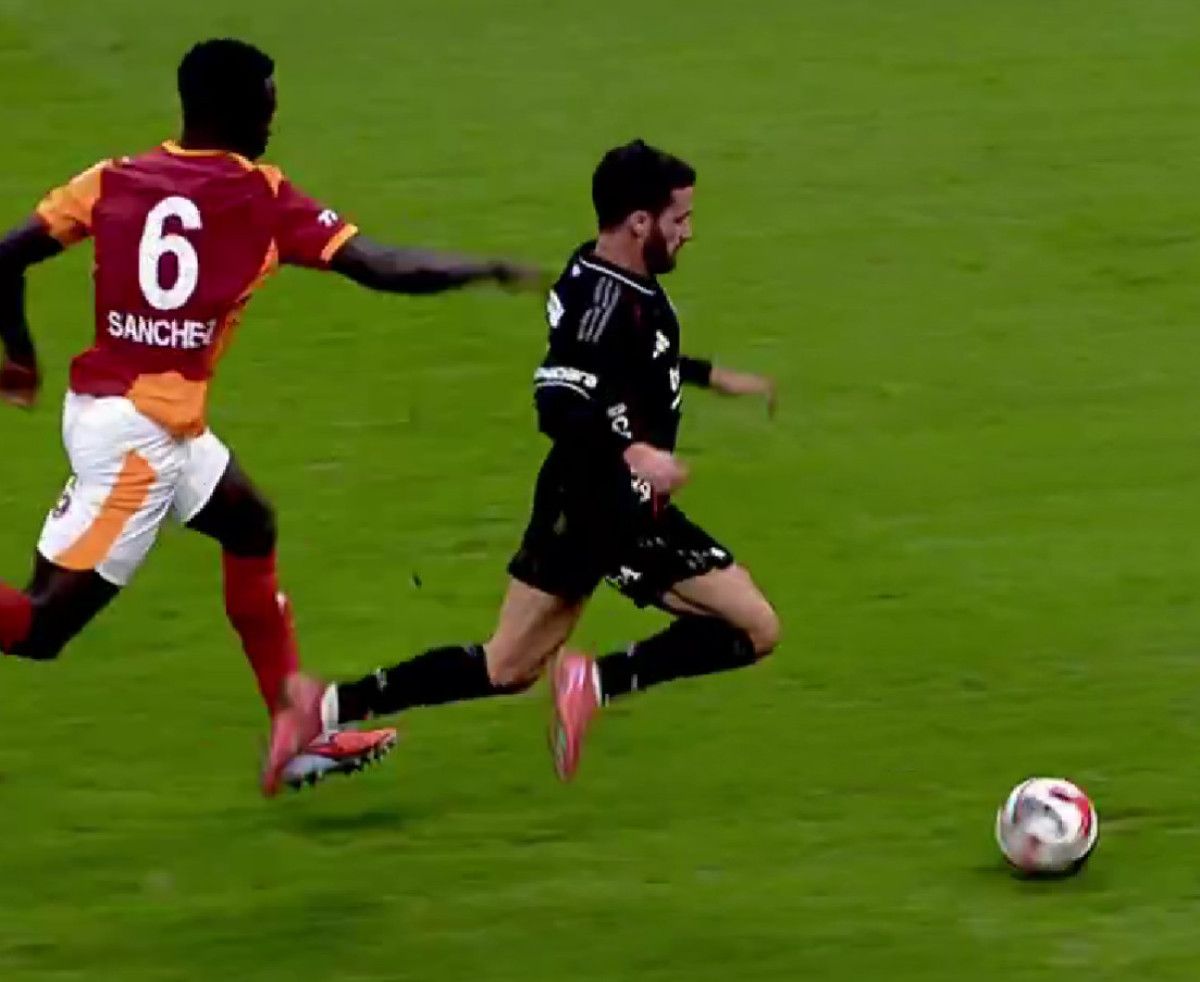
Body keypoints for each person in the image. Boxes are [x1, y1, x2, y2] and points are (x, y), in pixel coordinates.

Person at [0, 38, 540, 794]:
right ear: (231, 110)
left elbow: (5, 256)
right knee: (41, 628)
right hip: (140, 444)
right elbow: (381, 266)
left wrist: (22, 358)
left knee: (249, 524)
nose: (273, 119)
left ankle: (297, 734)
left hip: (119, 413)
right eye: (266, 104)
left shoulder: (112, 178)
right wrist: (483, 268)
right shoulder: (262, 196)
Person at [267, 139, 779, 789]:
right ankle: (595, 680)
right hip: (609, 505)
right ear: (639, 222)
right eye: (679, 219)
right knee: (754, 626)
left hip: (577, 495)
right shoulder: (605, 304)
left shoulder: (602, 274)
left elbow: (627, 358)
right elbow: (558, 396)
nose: (688, 233)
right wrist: (636, 451)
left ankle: (327, 706)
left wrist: (704, 375)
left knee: (505, 666)